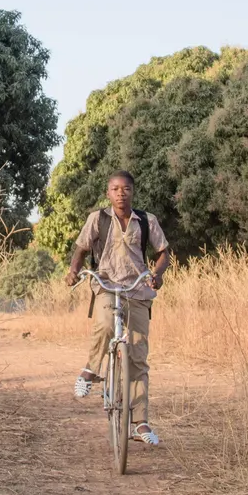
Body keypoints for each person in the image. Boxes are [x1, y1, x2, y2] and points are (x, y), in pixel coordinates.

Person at [64, 170, 171, 446]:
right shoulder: (97, 219)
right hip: (107, 285)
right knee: (104, 324)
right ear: (108, 193)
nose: (120, 194)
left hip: (137, 289)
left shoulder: (147, 221)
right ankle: (91, 370)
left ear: (133, 192)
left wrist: (157, 274)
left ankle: (140, 422)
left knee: (137, 356)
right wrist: (74, 271)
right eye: (115, 189)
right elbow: (80, 249)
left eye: (126, 189)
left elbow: (163, 253)